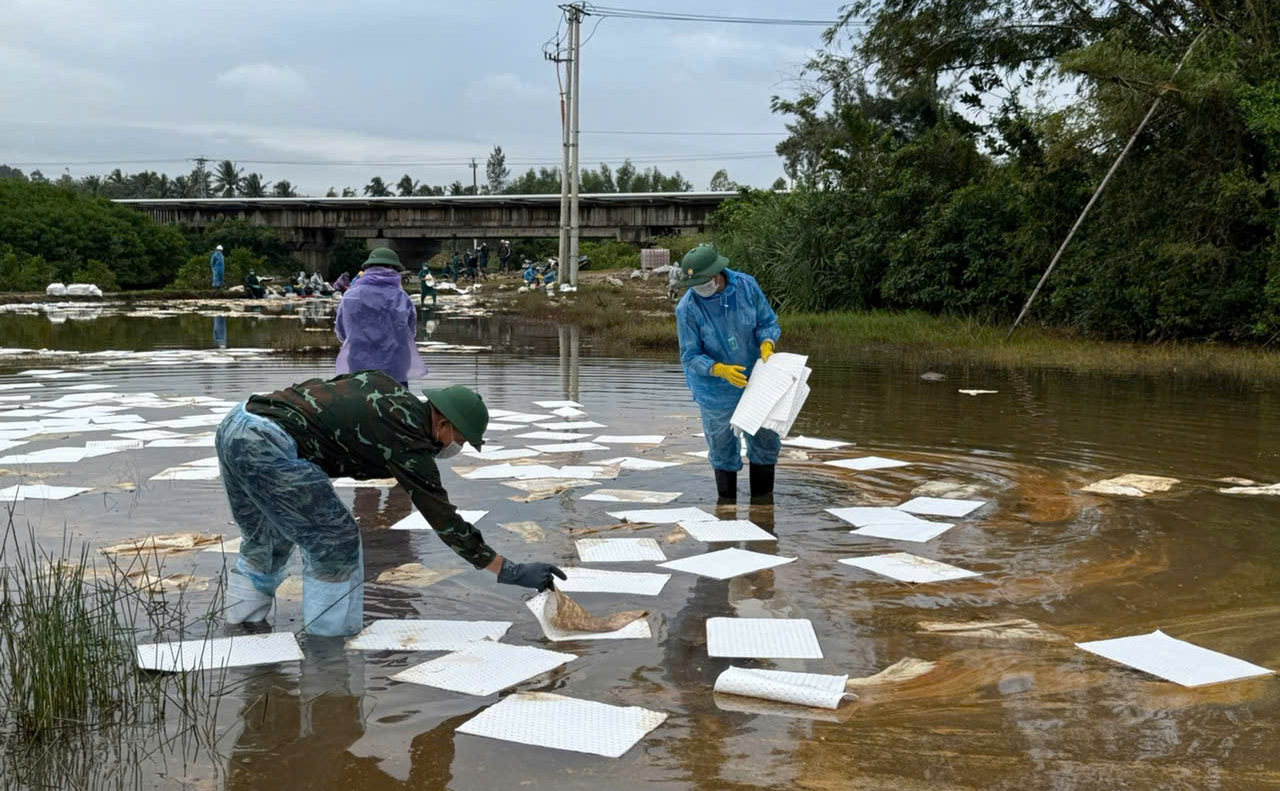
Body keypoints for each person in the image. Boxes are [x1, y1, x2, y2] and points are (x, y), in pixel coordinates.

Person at [215, 373, 566, 636]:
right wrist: (509, 570)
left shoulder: (389, 387)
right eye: (457, 438)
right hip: (267, 444)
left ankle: (243, 627)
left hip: (238, 422)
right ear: (442, 423)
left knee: (267, 537)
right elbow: (443, 520)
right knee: (335, 541)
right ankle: (329, 648)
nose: (455, 446)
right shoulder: (409, 441)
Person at [675, 243, 780, 502]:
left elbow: (766, 322)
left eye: (703, 282)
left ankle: (763, 506)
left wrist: (767, 343)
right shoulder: (687, 308)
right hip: (714, 390)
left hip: (755, 380)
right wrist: (718, 369)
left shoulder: (747, 286)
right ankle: (727, 507)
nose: (699, 289)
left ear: (716, 274)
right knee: (721, 447)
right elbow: (689, 355)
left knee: (765, 439)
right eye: (693, 284)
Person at [333, 248, 427, 386]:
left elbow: (341, 332)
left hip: (358, 362)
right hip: (395, 363)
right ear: (393, 268)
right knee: (397, 403)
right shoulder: (400, 296)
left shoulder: (350, 295)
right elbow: (410, 333)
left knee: (361, 401)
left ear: (368, 268)